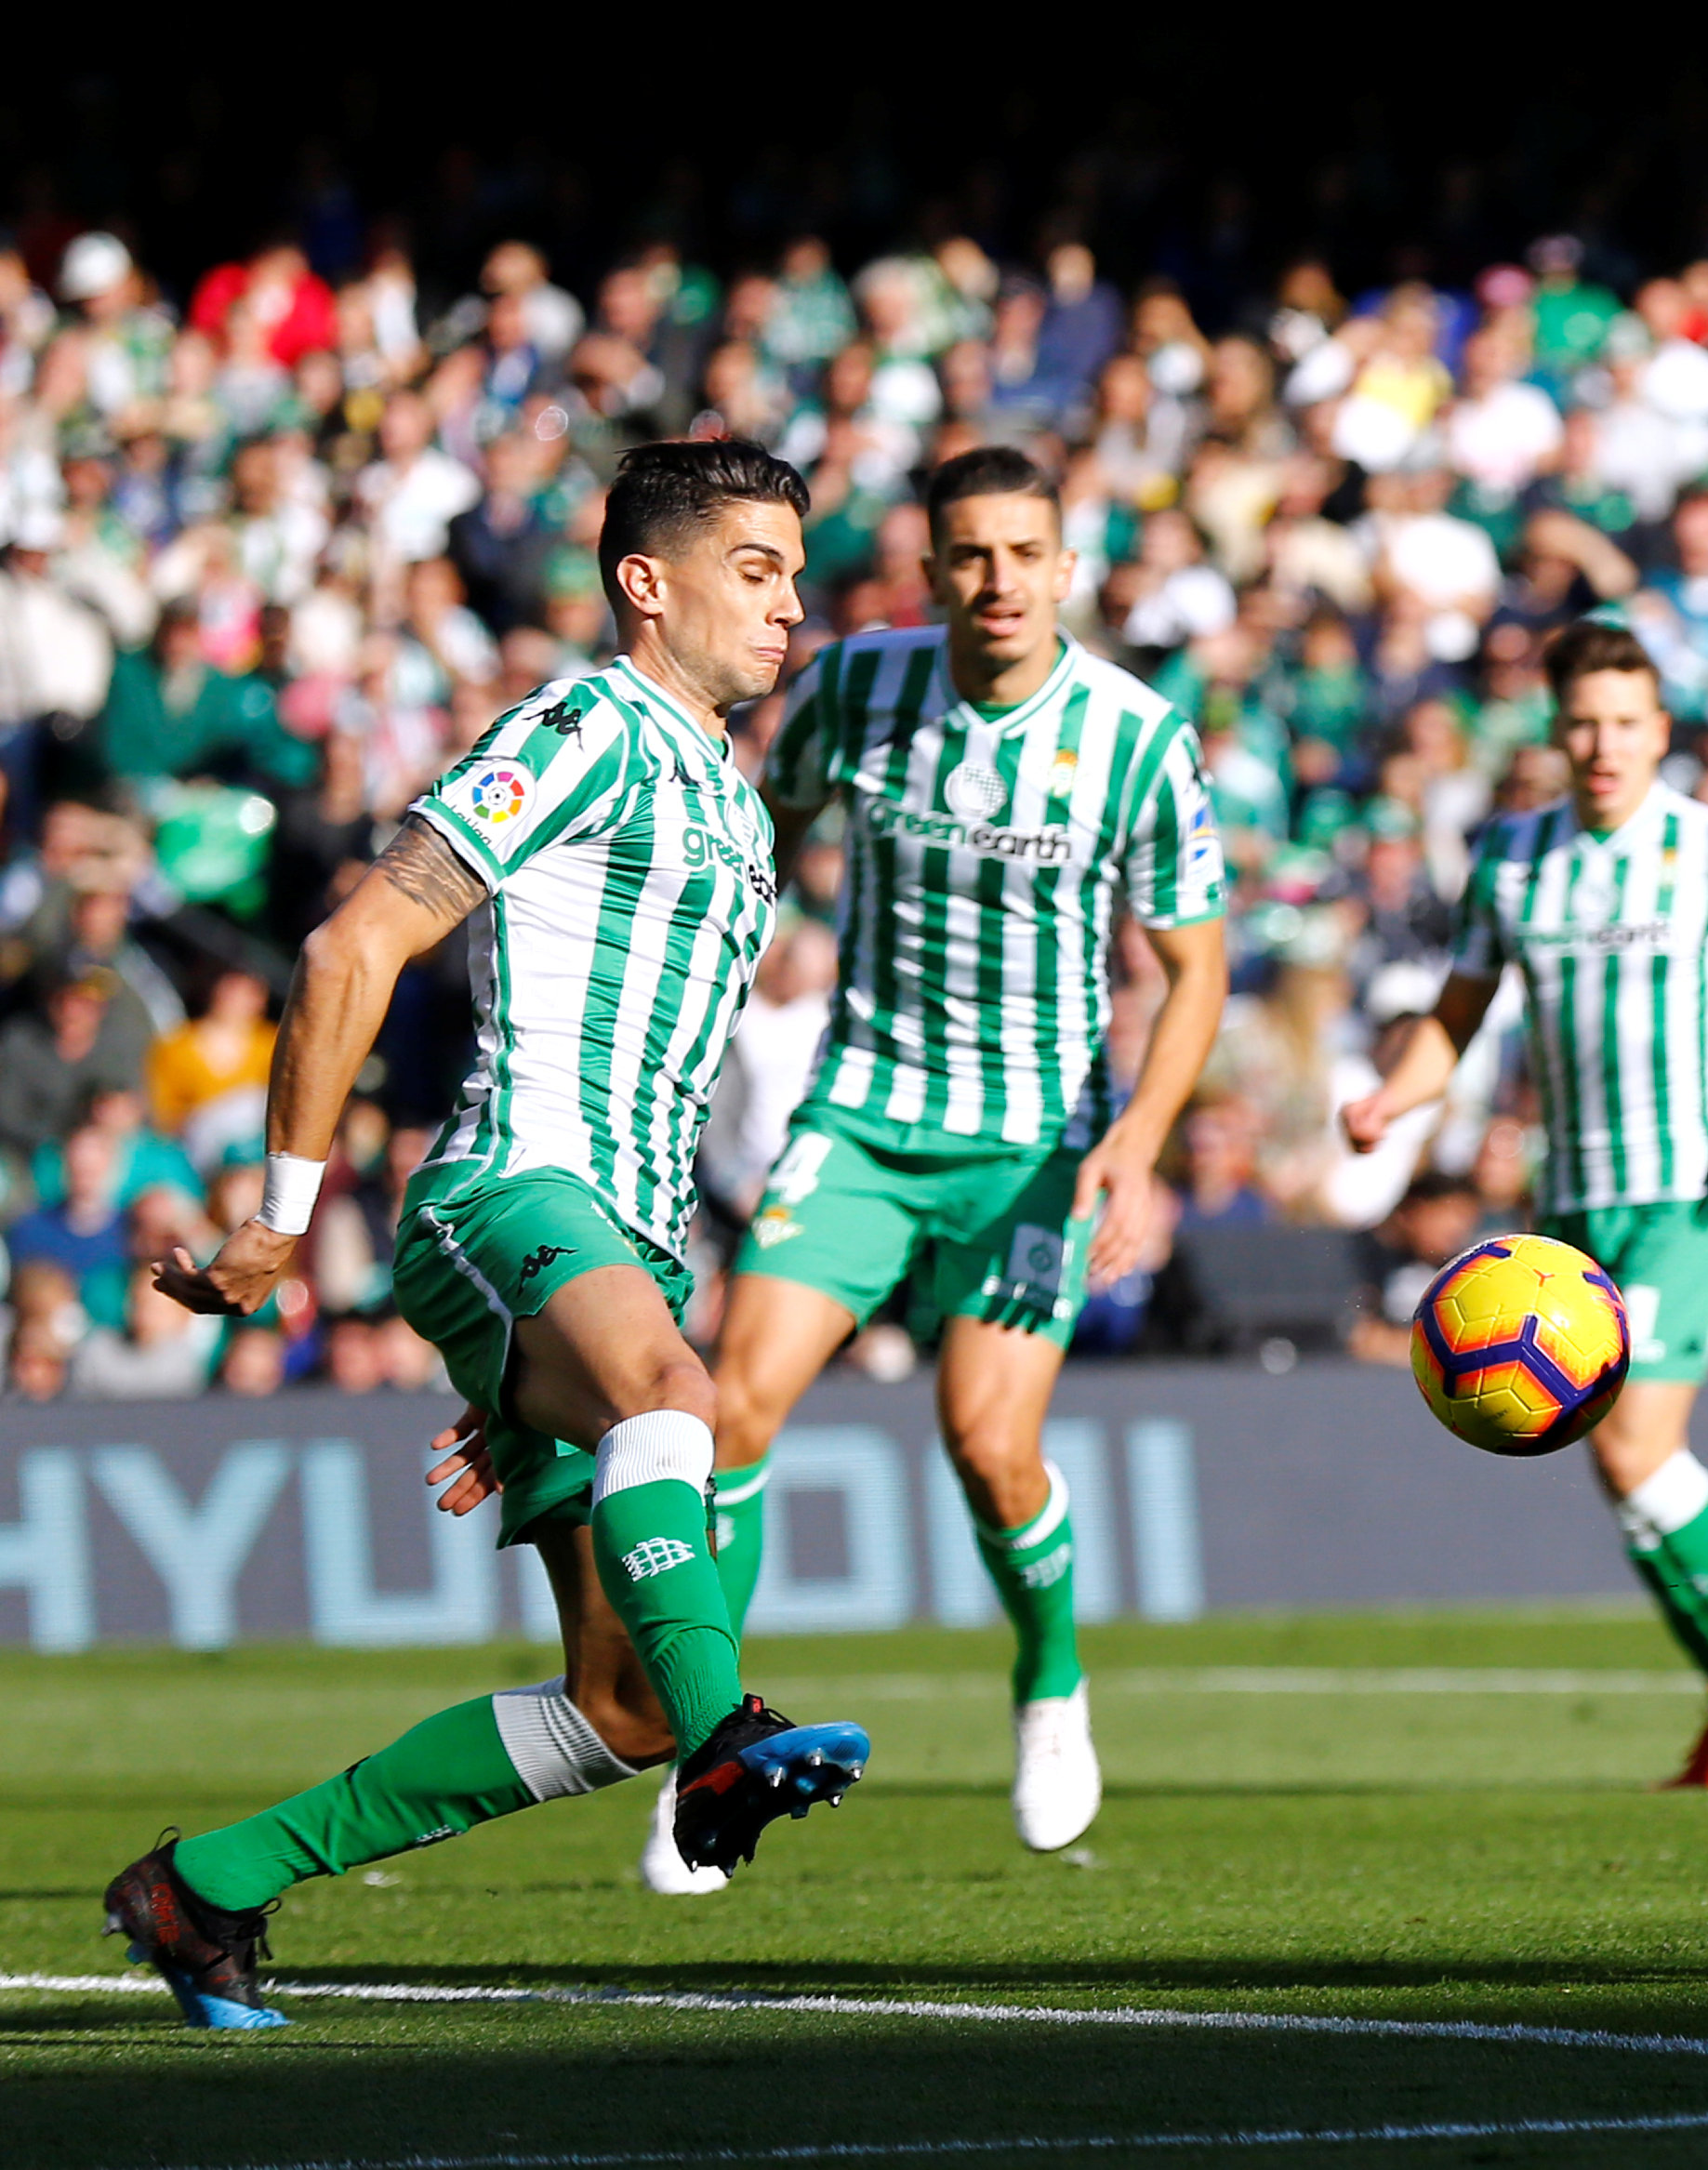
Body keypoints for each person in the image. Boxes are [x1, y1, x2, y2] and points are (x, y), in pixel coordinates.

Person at [110, 439, 871, 2030]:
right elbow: (350, 945)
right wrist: (279, 1218)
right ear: (645, 583)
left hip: (613, 1251)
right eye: (757, 567)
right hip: (511, 1188)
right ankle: (738, 1719)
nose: (791, 603)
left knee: (619, 1706)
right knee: (679, 1397)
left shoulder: (731, 803)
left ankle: (209, 1883)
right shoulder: (582, 726)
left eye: (798, 572)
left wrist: (533, 1369)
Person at [664, 444, 1229, 1892]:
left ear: (1064, 564)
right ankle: (710, 1753)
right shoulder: (858, 686)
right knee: (728, 1409)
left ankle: (1051, 1685)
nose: (996, 581)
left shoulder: (1135, 736)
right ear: (932, 567)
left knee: (988, 1443)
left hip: (1035, 1143)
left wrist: (1142, 1138)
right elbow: (766, 820)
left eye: (1022, 553)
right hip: (859, 1113)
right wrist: (754, 930)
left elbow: (1195, 963)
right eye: (968, 554)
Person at [1342, 618, 1708, 1789]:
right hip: (1566, 1216)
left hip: (1683, 1192)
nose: (1601, 745)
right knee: (1610, 1462)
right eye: (1581, 722)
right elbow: (1456, 1016)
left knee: (1636, 1446)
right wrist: (1395, 1099)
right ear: (1554, 727)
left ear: (1657, 732)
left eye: (1624, 723)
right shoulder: (1514, 860)